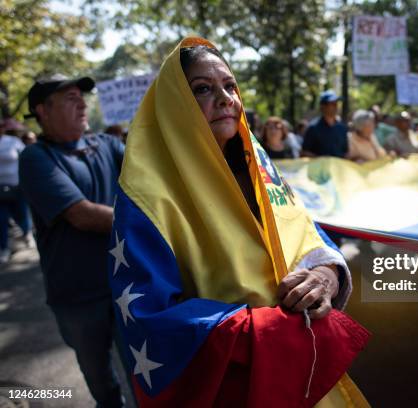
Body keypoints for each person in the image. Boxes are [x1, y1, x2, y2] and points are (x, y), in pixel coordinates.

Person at [111, 37, 369, 406]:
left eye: (230, 86)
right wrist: (267, 328)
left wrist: (326, 274)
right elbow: (148, 316)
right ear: (175, 105)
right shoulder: (145, 196)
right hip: (237, 384)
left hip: (305, 369)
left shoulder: (258, 165)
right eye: (202, 89)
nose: (225, 98)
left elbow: (304, 230)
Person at [19, 74, 126, 407]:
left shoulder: (107, 145)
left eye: (82, 97)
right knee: (101, 379)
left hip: (127, 287)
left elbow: (153, 173)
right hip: (78, 297)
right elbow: (82, 214)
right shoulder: (36, 158)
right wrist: (151, 223)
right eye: (69, 97)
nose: (82, 103)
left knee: (146, 371)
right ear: (42, 110)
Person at [0, 121, 32, 262]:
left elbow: (25, 157)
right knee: (1, 220)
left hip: (17, 187)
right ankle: (4, 248)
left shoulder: (13, 141)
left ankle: (27, 234)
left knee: (22, 214)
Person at [301, 90, 349, 157]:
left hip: (338, 166)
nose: (335, 106)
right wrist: (321, 159)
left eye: (336, 103)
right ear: (323, 106)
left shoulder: (342, 128)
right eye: (332, 103)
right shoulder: (313, 128)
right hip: (318, 167)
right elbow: (304, 152)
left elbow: (346, 151)